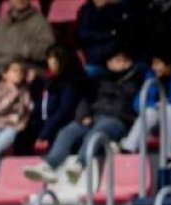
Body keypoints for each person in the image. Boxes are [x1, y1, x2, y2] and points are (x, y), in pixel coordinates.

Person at [24, 45, 142, 184]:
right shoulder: (99, 80)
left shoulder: (135, 79)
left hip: (117, 120)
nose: (119, 64)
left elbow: (125, 103)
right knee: (68, 131)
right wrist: (84, 115)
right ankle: (49, 165)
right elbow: (85, 99)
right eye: (115, 60)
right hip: (95, 116)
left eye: (123, 60)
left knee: (98, 131)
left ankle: (79, 165)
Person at [122, 48, 171, 168]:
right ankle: (128, 148)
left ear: (168, 64)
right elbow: (138, 102)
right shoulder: (151, 76)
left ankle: (168, 156)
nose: (154, 67)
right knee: (149, 112)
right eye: (153, 63)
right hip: (158, 121)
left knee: (170, 110)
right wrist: (154, 105)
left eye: (158, 63)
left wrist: (169, 103)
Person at [32, 45, 89, 154]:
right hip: (45, 127)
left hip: (60, 128)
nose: (49, 62)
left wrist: (45, 132)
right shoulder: (48, 81)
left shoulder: (72, 82)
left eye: (52, 58)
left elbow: (64, 110)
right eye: (48, 57)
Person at [0, 0, 53, 74]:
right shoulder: (1, 23)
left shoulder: (40, 22)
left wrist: (25, 50)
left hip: (20, 71)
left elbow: (49, 51)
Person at [76, 0, 144, 75]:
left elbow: (134, 35)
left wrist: (124, 57)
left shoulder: (128, 7)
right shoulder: (86, 11)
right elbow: (84, 39)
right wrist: (107, 60)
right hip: (99, 62)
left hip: (128, 60)